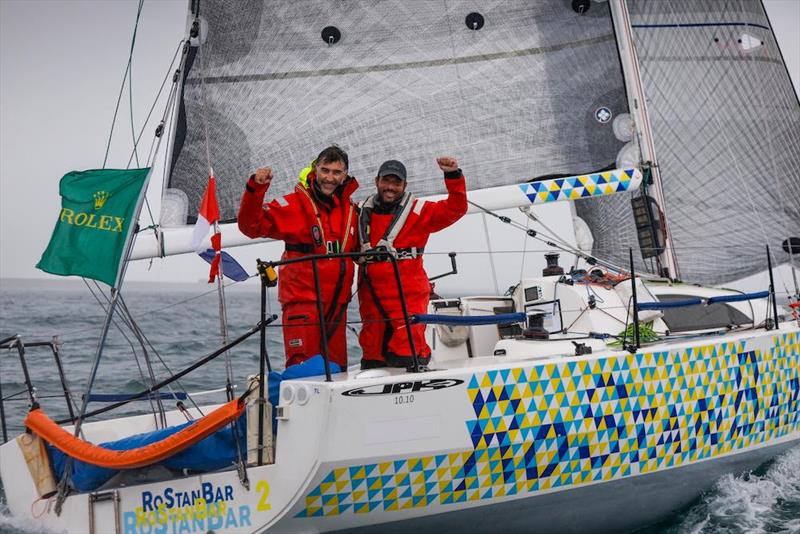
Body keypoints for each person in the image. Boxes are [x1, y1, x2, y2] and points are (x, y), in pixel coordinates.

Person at [238, 146, 359, 368]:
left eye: (336, 172)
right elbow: (250, 226)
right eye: (325, 170)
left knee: (337, 371)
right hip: (303, 306)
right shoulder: (293, 205)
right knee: (303, 371)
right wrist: (256, 188)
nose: (329, 178)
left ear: (345, 176)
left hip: (337, 308)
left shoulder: (351, 209)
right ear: (315, 169)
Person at [357, 156, 467, 369]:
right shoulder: (360, 213)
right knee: (372, 357)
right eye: (386, 181)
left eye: (396, 183)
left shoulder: (420, 211)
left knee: (407, 353)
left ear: (404, 186)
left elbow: (456, 208)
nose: (390, 187)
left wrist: (452, 175)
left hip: (407, 296)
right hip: (371, 298)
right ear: (376, 181)